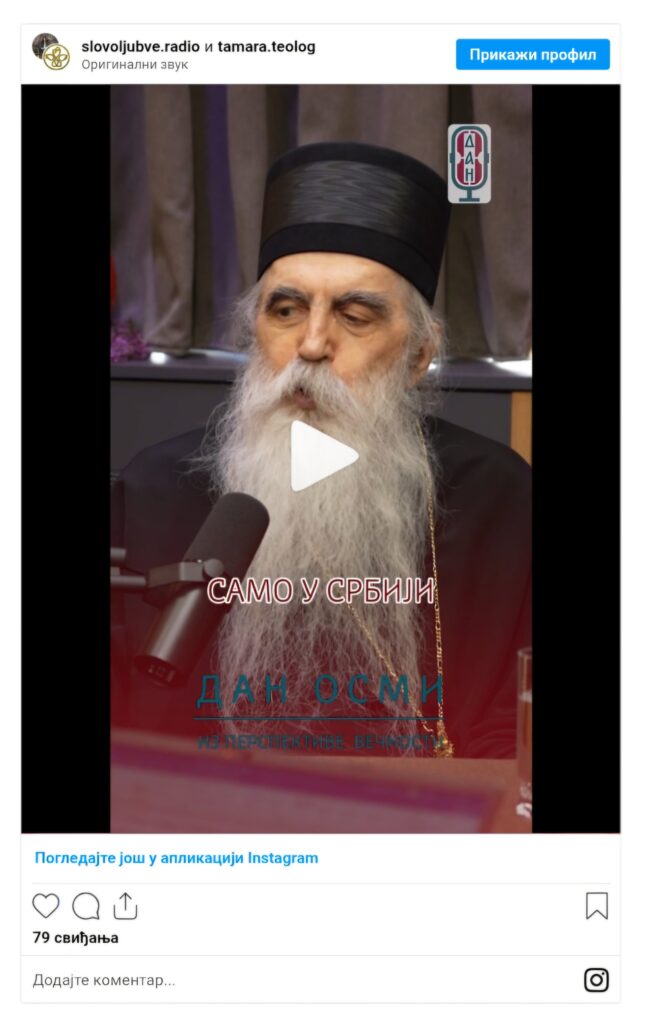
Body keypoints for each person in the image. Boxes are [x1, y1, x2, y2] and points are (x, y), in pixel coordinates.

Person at [111, 142, 531, 759]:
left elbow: (513, 730)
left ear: (419, 355)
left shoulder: (498, 498)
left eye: (355, 316)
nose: (311, 344)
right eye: (286, 310)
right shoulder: (156, 488)